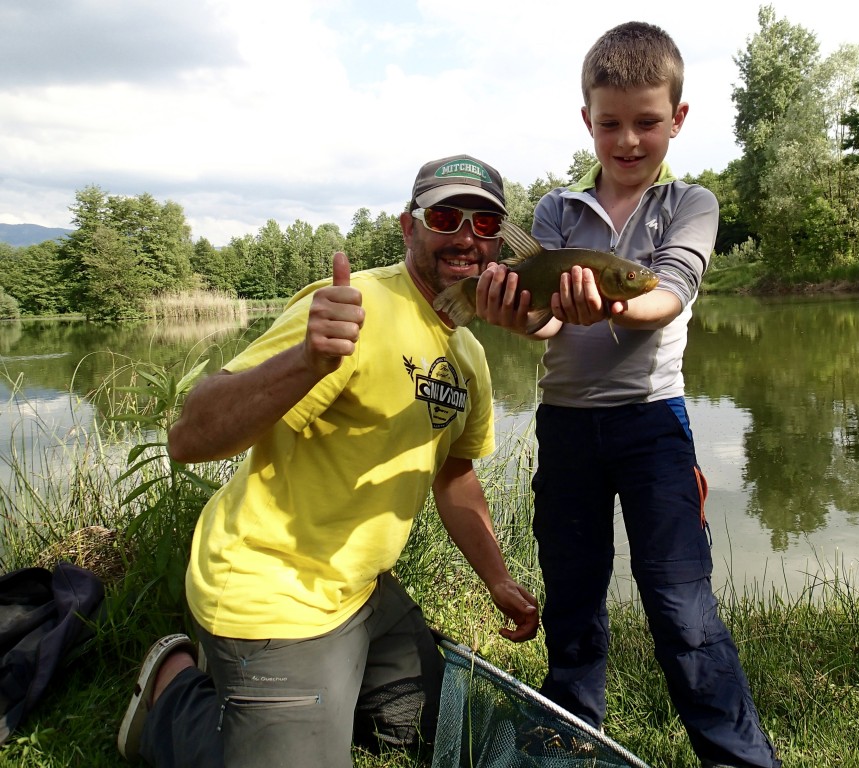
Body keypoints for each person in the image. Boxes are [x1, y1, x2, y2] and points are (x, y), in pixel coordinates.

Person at [117, 155, 540, 768]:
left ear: (499, 240)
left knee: (421, 731)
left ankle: (275, 701)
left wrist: (497, 578)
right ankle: (174, 688)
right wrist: (305, 365)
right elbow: (188, 436)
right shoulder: (353, 306)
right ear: (408, 226)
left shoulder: (469, 355)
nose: (465, 238)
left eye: (484, 224)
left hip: (361, 592)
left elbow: (455, 475)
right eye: (446, 216)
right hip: (272, 590)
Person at [475, 22, 781, 768]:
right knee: (573, 597)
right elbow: (546, 321)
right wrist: (517, 314)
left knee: (680, 604)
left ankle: (738, 758)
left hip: (654, 428)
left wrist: (608, 300)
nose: (629, 139)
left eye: (647, 121)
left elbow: (665, 298)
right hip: (569, 429)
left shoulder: (692, 203)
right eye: (611, 122)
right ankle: (570, 747)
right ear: (588, 121)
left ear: (677, 118)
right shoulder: (556, 211)